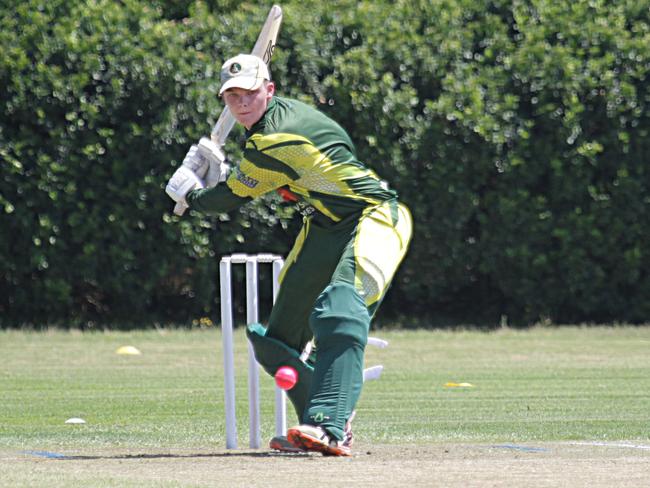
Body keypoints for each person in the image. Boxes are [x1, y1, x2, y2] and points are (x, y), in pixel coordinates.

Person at [166, 54, 412, 456]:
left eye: (249, 93)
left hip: (374, 216)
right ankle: (312, 424)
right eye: (232, 96)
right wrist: (223, 171)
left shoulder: (274, 140)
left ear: (269, 89)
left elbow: (230, 197)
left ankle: (332, 426)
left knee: (339, 310)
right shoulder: (278, 123)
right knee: (275, 342)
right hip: (325, 225)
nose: (241, 103)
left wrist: (190, 193)